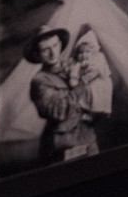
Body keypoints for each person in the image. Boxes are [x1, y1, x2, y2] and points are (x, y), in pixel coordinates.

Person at [25, 27, 99, 165]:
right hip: (63, 143)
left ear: (60, 45)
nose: (53, 52)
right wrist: (81, 84)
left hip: (88, 136)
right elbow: (58, 111)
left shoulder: (72, 65)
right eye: (45, 49)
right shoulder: (40, 81)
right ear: (37, 55)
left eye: (54, 45)